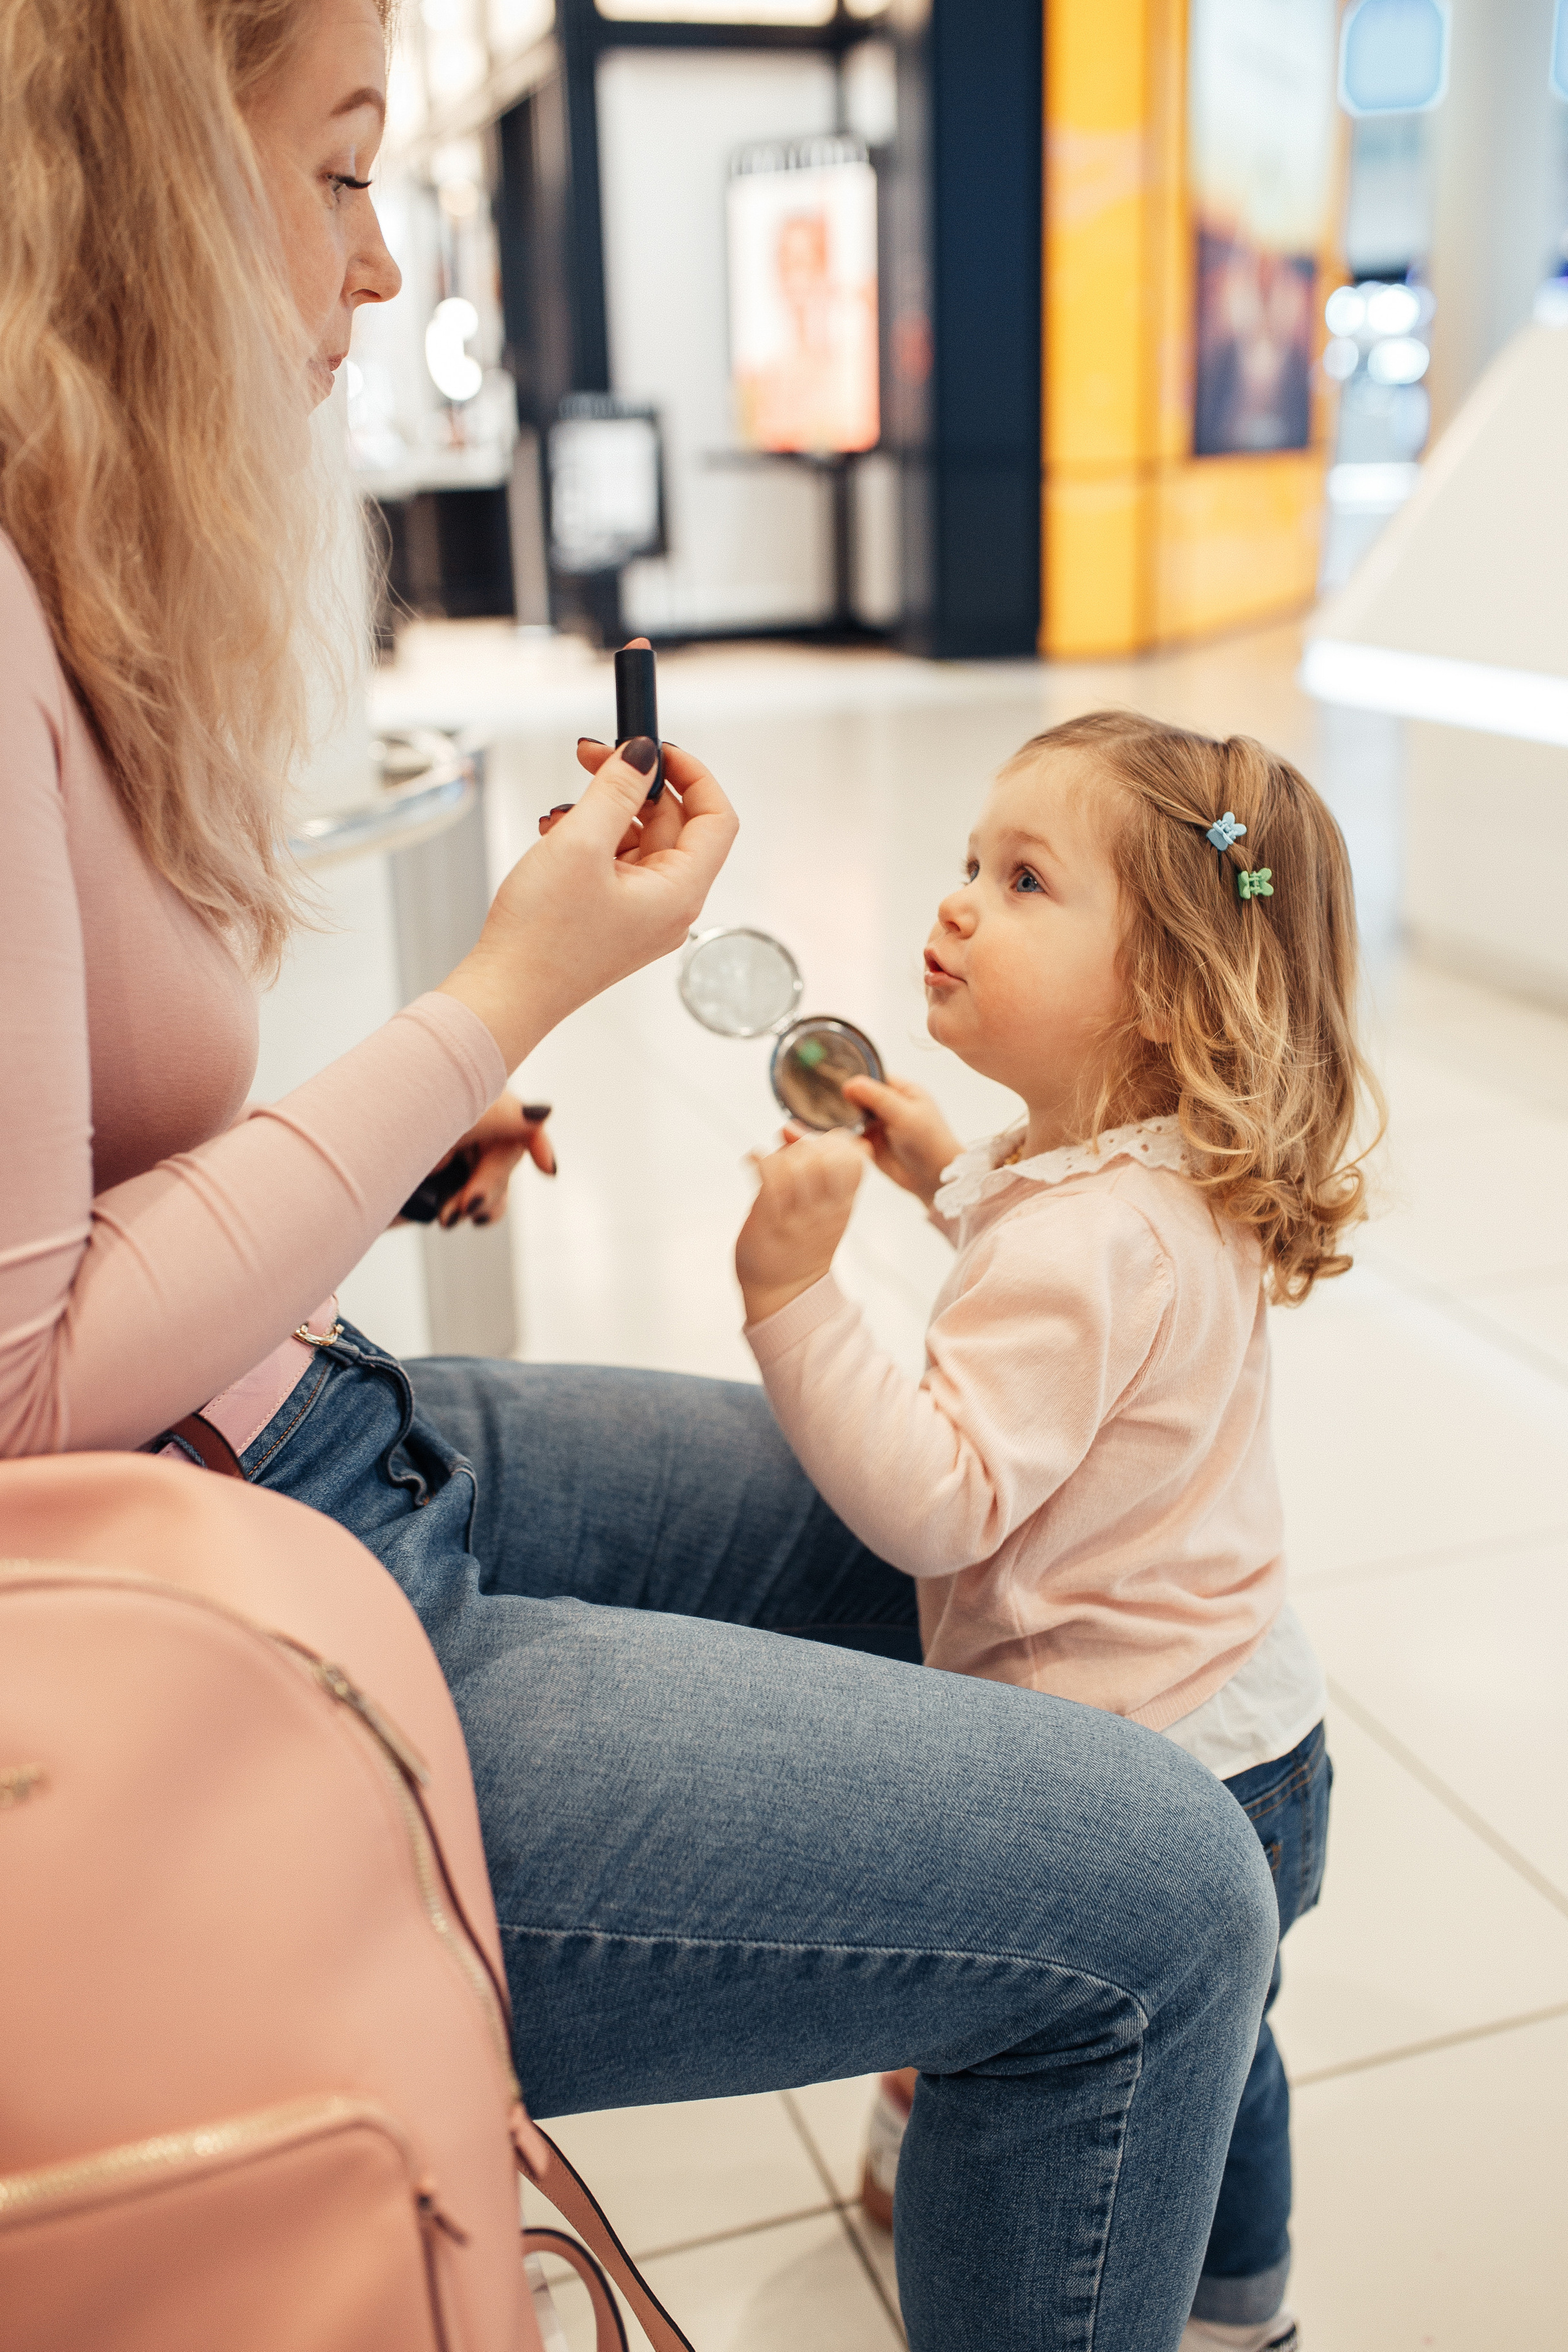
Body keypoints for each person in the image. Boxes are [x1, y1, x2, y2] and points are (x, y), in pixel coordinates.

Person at [0, 2, 1280, 2345]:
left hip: (313, 1422)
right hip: (218, 1611)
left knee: (950, 1586)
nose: (376, 266)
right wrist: (498, 1002)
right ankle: (1055, 2078)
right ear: (143, 173)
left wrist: (389, 1142)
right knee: (1174, 1898)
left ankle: (1001, 2105)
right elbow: (25, 1377)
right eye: (340, 171)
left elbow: (62, 1196)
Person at [734, 712, 1383, 2352]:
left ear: (1159, 992)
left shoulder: (1081, 1242)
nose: (957, 904)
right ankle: (1245, 2307)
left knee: (1097, 2036)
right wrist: (946, 1172)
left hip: (1136, 1776)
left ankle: (1171, 2289)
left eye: (1025, 882)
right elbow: (1075, 1265)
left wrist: (792, 1300)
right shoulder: (1154, 1173)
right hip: (1253, 1726)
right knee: (1231, 2059)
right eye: (970, 861)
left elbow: (940, 1499)